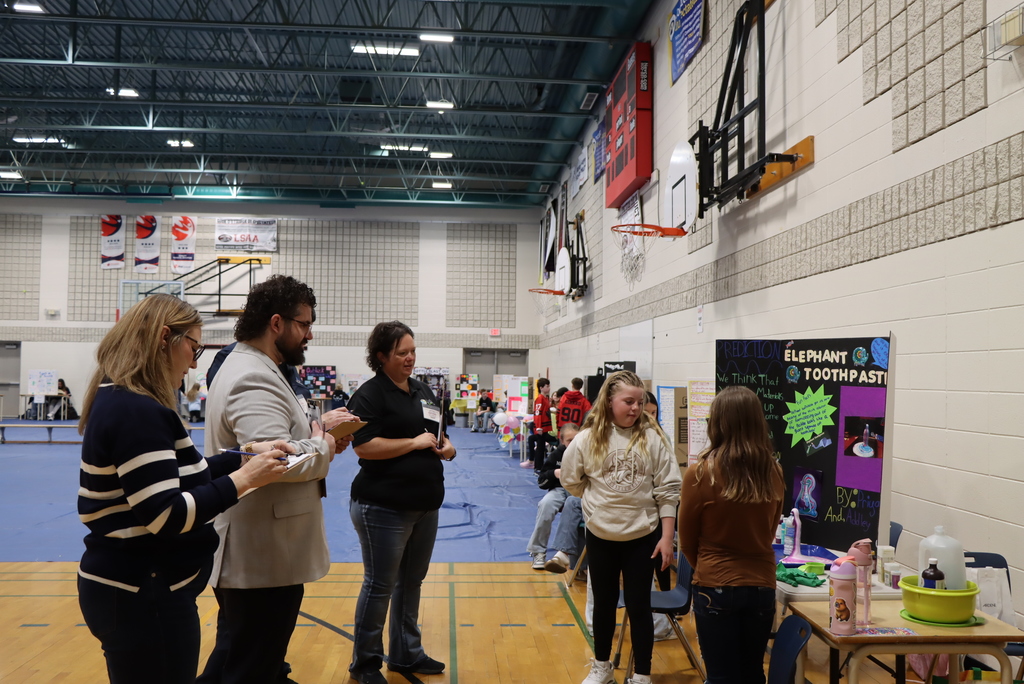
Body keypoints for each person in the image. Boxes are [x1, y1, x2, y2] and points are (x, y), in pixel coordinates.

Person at [76, 293, 291, 684]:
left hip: (134, 589)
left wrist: (243, 456)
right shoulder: (137, 410)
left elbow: (178, 476)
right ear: (164, 339)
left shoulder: (124, 399)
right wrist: (246, 479)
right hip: (143, 593)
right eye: (194, 346)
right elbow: (166, 514)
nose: (194, 361)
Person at [198, 275, 357, 684]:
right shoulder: (253, 376)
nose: (309, 334)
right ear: (276, 323)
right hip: (262, 555)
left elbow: (274, 442)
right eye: (303, 324)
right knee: (254, 668)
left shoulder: (257, 367)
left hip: (262, 553)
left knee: (235, 659)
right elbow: (275, 460)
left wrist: (317, 432)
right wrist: (321, 440)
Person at [346, 321, 456, 684]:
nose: (410, 359)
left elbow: (438, 433)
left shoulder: (423, 390)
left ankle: (406, 653)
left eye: (412, 352)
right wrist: (413, 443)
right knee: (379, 585)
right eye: (401, 353)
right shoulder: (369, 395)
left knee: (411, 583)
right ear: (381, 357)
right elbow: (363, 446)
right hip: (382, 507)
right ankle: (365, 664)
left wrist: (447, 447)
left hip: (425, 506)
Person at [561, 371, 681, 684]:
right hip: (601, 536)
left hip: (643, 537)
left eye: (640, 402)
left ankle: (642, 674)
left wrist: (667, 538)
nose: (635, 408)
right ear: (609, 401)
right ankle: (602, 667)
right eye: (628, 401)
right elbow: (571, 479)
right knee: (603, 605)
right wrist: (595, 505)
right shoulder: (588, 438)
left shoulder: (653, 439)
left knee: (640, 607)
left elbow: (668, 491)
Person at [678, 385, 785, 684]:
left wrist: (709, 569)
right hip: (762, 584)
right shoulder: (774, 471)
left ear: (717, 423)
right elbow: (771, 530)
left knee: (721, 677)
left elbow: (686, 541)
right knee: (752, 674)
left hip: (715, 584)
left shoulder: (700, 473)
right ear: (757, 422)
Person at [527, 422, 580, 569]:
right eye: (569, 440)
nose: (573, 443)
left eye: (576, 440)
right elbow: (542, 481)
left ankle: (575, 555)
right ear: (562, 441)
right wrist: (554, 473)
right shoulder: (557, 455)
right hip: (559, 490)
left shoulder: (586, 453)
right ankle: (538, 551)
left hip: (578, 491)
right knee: (545, 505)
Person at [526, 378, 557, 469]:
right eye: (547, 386)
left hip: (545, 427)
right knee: (540, 447)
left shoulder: (545, 398)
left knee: (541, 446)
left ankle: (539, 466)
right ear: (541, 388)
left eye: (549, 386)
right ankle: (538, 467)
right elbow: (537, 413)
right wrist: (539, 427)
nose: (549, 388)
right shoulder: (540, 399)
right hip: (542, 428)